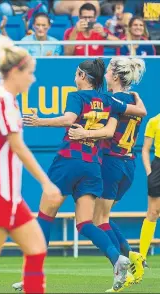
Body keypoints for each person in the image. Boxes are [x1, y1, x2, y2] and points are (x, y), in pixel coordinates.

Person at [15, 58, 147, 292]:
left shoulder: (76, 97)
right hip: (93, 166)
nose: (75, 77)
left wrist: (39, 121)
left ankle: (32, 277)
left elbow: (68, 119)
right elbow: (127, 119)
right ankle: (117, 258)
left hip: (68, 161)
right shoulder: (108, 100)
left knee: (44, 217)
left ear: (82, 76)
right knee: (86, 223)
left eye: (77, 74)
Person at [0, 35, 59, 294]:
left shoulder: (1, 100)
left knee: (36, 249)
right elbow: (17, 146)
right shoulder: (3, 101)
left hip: (5, 196)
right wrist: (47, 183)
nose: (33, 78)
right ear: (15, 71)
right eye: (30, 73)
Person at [68, 57, 147, 291]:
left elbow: (108, 130)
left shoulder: (110, 99)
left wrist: (84, 134)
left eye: (109, 71)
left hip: (111, 163)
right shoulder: (133, 98)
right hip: (128, 164)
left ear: (114, 76)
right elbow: (142, 111)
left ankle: (126, 261)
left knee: (97, 220)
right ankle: (130, 257)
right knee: (102, 218)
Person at [140, 113, 160, 261]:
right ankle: (142, 257)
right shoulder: (154, 121)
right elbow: (145, 149)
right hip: (157, 166)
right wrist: (149, 172)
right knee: (153, 212)